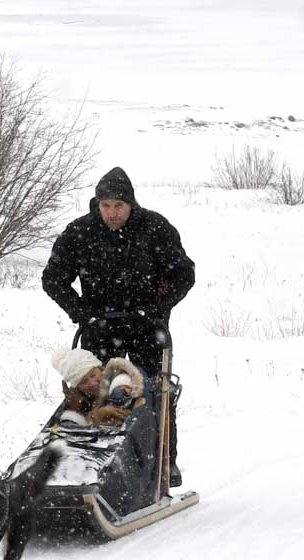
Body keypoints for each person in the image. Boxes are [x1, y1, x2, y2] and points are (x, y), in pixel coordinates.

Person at [42, 167, 195, 485]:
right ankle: (89, 466)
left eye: (118, 206)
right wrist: (80, 312)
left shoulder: (154, 228)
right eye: (105, 206)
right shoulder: (80, 232)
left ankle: (164, 463)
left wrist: (156, 309)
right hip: (99, 328)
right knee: (94, 396)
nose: (112, 214)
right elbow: (52, 279)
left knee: (153, 394)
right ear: (97, 205)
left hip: (145, 328)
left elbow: (184, 274)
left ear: (131, 204)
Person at [50, 348, 144, 427]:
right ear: (78, 387)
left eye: (93, 375)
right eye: (84, 381)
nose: (91, 383)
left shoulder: (120, 386)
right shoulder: (82, 396)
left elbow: (120, 417)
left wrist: (100, 414)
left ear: (100, 369)